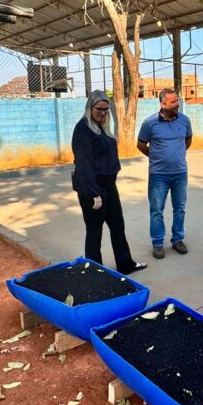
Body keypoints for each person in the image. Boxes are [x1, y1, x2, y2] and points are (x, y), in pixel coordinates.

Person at [71, 91, 146, 275]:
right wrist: (93, 193)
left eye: (106, 109)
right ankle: (94, 272)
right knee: (95, 230)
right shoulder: (83, 129)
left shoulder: (103, 128)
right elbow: (83, 164)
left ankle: (125, 264)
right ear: (90, 108)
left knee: (118, 226)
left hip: (109, 186)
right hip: (93, 188)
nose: (103, 113)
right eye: (99, 109)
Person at [137, 88, 193, 259]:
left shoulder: (184, 120)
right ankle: (158, 243)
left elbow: (188, 141)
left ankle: (177, 239)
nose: (178, 104)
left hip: (180, 173)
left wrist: (176, 155)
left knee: (180, 208)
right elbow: (140, 145)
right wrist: (156, 157)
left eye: (177, 100)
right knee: (156, 210)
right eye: (174, 101)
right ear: (163, 104)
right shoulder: (150, 123)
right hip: (158, 175)